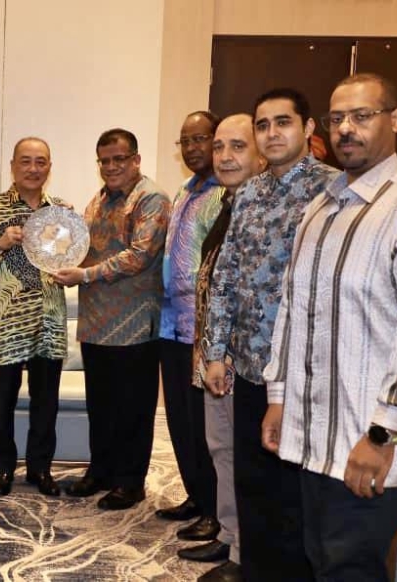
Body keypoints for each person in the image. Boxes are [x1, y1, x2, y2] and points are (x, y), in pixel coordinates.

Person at [263, 73, 397, 581]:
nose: (345, 129)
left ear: (395, 120)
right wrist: (279, 395)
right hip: (314, 442)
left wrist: (381, 434)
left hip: (373, 447)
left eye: (362, 116)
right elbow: (293, 308)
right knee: (319, 561)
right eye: (336, 118)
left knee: (350, 569)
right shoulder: (321, 208)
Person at [203, 88, 339, 581]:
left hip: (304, 372)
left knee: (295, 492)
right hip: (247, 366)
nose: (272, 133)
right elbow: (226, 275)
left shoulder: (334, 190)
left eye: (283, 122)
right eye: (263, 125)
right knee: (252, 482)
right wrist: (215, 351)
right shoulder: (249, 192)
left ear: (308, 128)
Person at [54, 129, 170, 511]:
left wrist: (84, 275)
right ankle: (101, 471)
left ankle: (130, 483)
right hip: (96, 324)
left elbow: (139, 255)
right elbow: (84, 246)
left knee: (133, 409)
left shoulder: (151, 198)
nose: (111, 166)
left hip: (134, 325)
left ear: (136, 159)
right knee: (101, 406)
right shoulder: (100, 199)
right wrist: (66, 226)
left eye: (119, 159)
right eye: (104, 160)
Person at [180, 113, 266, 582]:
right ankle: (230, 536)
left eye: (237, 146)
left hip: (244, 361)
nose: (225, 157)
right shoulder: (228, 204)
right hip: (214, 357)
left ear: (260, 154)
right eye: (219, 147)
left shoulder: (262, 209)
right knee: (221, 450)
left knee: (241, 455)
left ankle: (243, 552)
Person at [0, 137, 67, 497]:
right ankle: (4, 468)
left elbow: (71, 259)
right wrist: (2, 243)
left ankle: (41, 469)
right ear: (12, 165)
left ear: (49, 168)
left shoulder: (60, 211)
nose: (33, 169)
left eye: (41, 162)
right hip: (7, 319)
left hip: (49, 318)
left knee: (46, 400)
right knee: (4, 399)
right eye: (25, 161)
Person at [157, 111, 224, 544]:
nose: (193, 147)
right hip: (171, 325)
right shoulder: (185, 190)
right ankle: (195, 497)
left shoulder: (225, 194)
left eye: (201, 138)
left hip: (204, 328)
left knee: (206, 427)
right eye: (185, 140)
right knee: (180, 421)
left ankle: (216, 511)